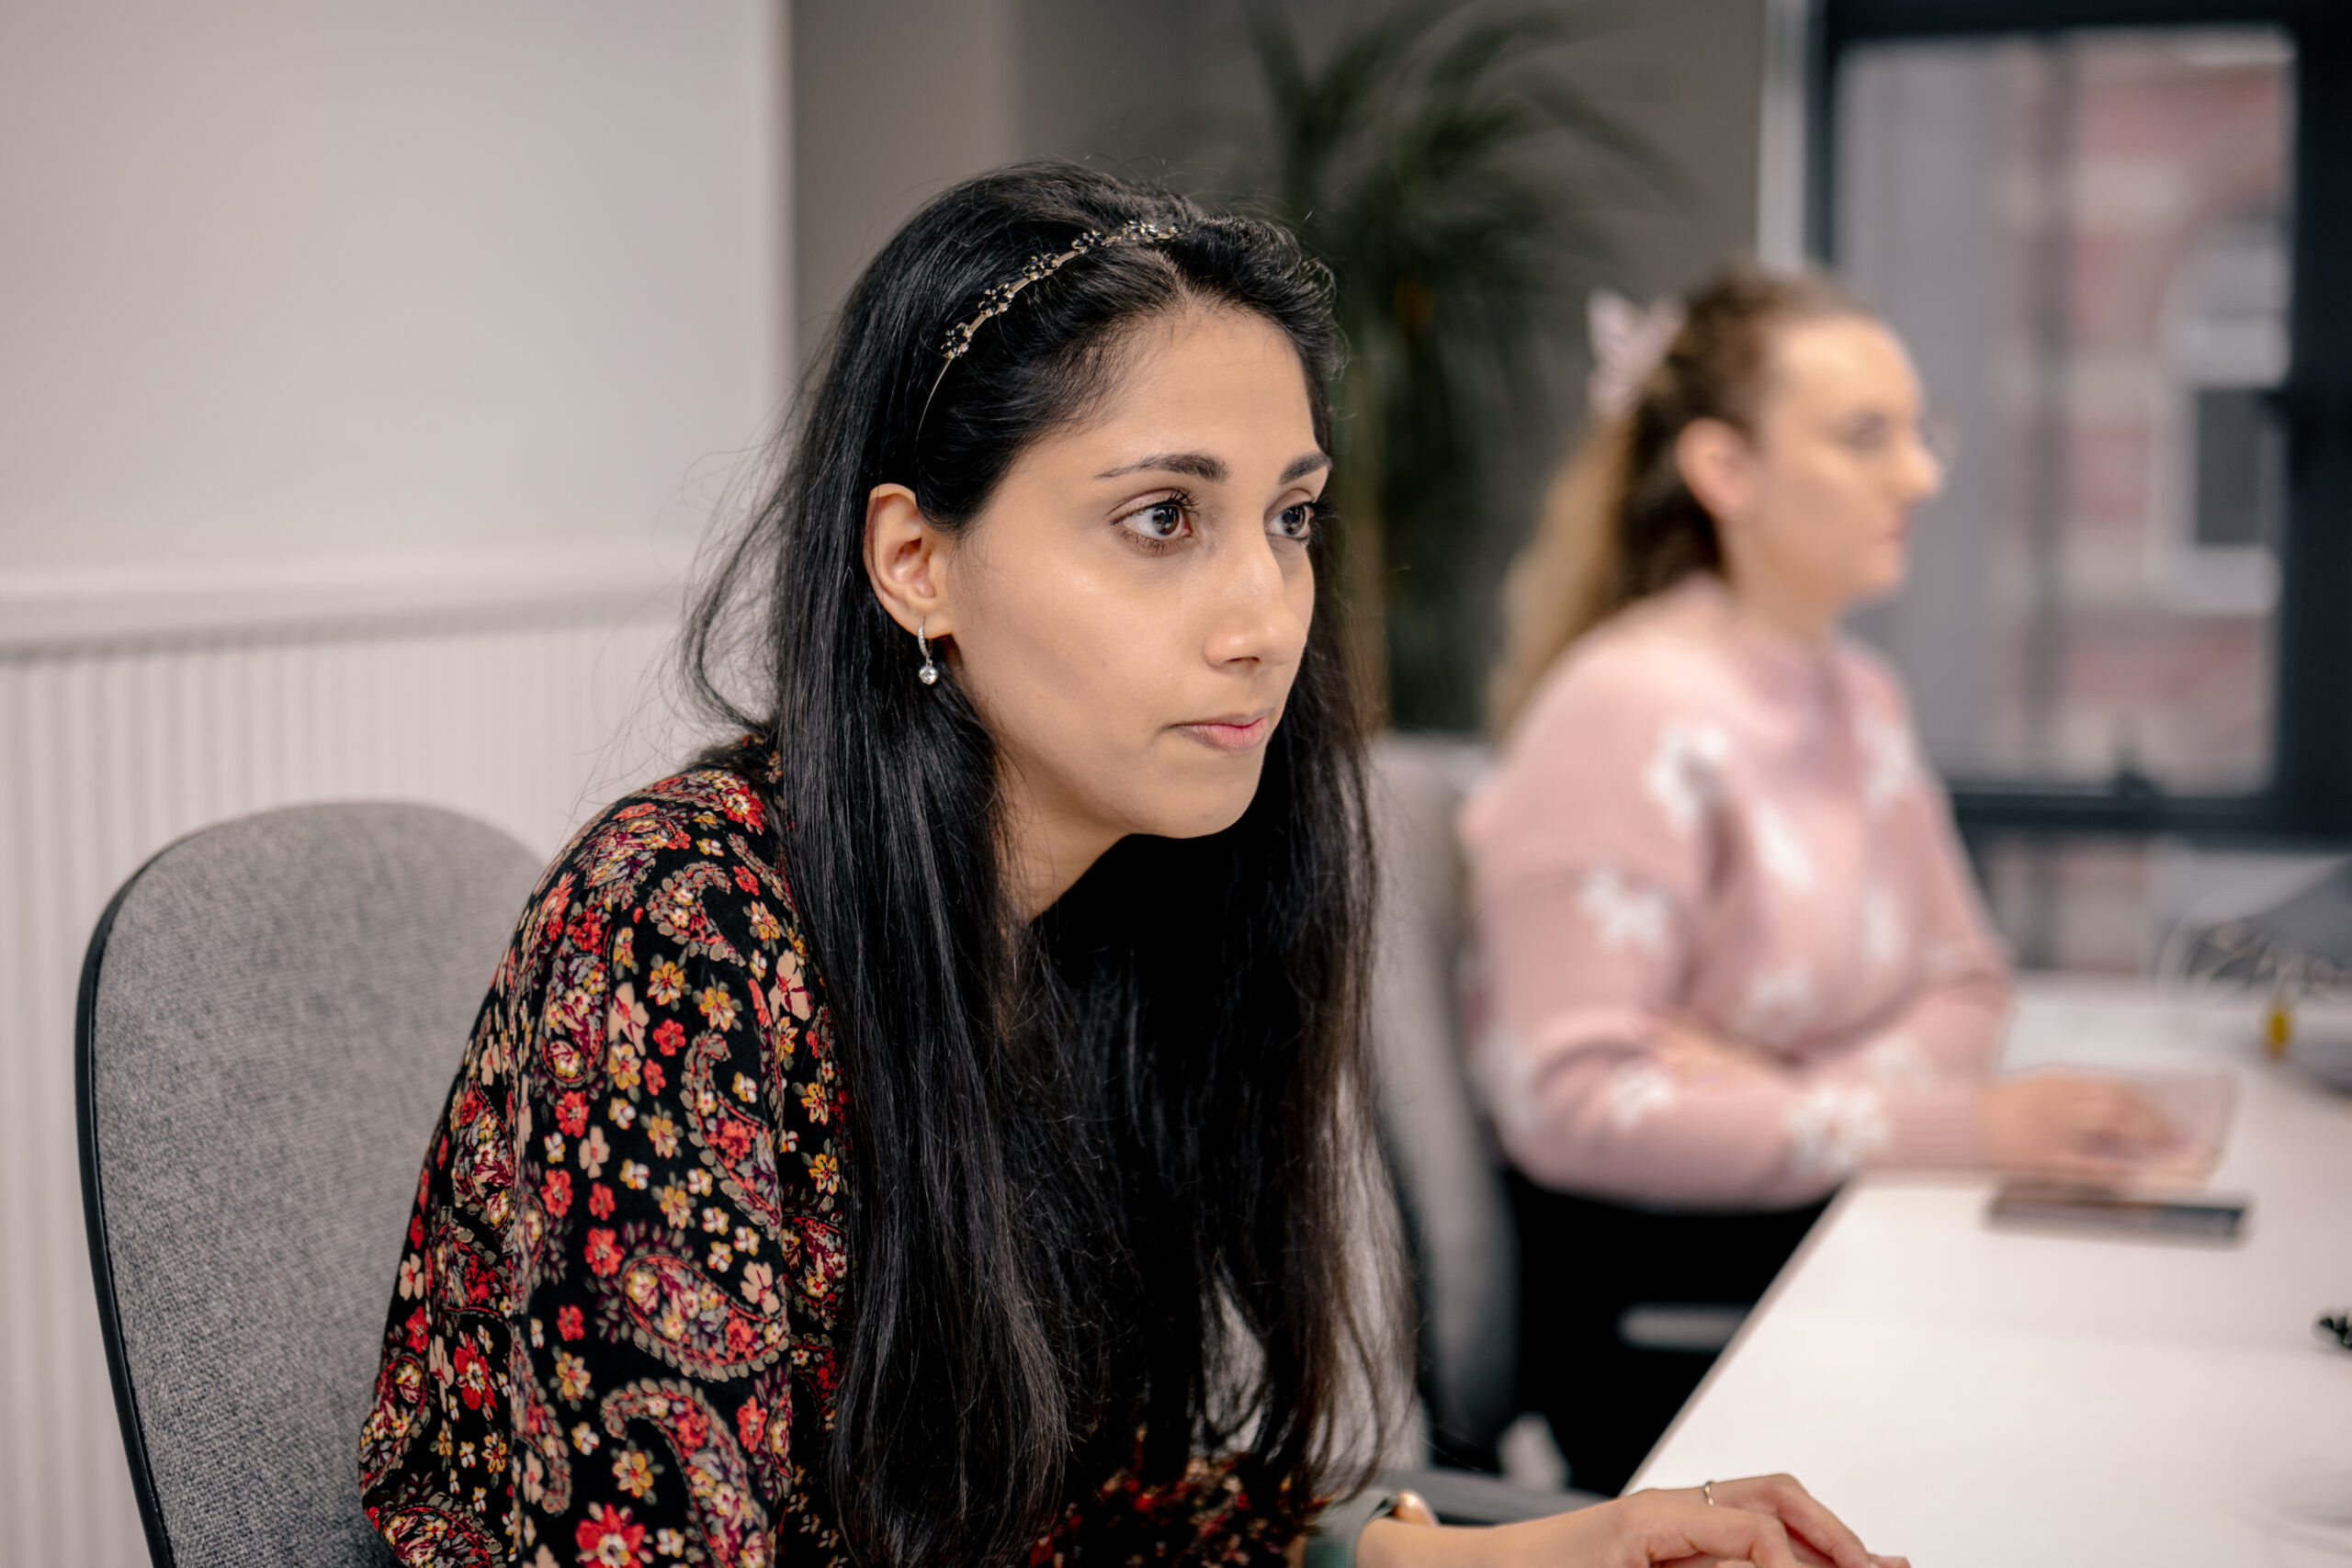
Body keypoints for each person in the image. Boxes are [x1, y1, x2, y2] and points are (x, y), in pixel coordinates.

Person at [357, 166, 1902, 1568]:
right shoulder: (681, 933)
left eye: (1288, 519)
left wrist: (1528, 1556)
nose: (1262, 615)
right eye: (1163, 518)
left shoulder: (1104, 902)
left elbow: (1076, 1508)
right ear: (917, 564)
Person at [1466, 267, 2185, 1493]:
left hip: (1827, 1241)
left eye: (1919, 433)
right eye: (1868, 438)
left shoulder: (1859, 699)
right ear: (1725, 472)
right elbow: (1572, 1108)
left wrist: (1803, 1094)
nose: (1920, 477)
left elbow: (1968, 984)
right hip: (1677, 1316)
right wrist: (1944, 1122)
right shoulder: (1626, 711)